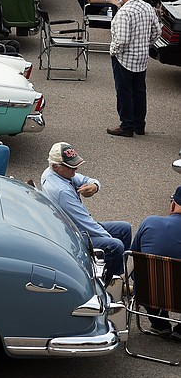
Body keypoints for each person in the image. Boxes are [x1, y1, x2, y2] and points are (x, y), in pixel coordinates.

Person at [39, 142, 131, 283]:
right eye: (71, 166)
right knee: (116, 245)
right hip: (73, 236)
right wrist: (109, 238)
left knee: (124, 228)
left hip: (74, 226)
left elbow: (85, 179)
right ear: (56, 166)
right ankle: (111, 285)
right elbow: (86, 222)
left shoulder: (54, 172)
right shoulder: (62, 192)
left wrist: (95, 186)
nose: (75, 168)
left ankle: (117, 272)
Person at [108, 0, 162, 137]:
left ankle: (127, 125)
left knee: (124, 91)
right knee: (139, 91)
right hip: (141, 57)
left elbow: (122, 40)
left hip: (124, 58)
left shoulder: (124, 12)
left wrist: (114, 50)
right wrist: (146, 43)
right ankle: (139, 125)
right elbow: (157, 31)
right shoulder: (148, 8)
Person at [131, 185, 181, 337]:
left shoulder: (150, 222)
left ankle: (159, 323)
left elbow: (134, 253)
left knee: (146, 272)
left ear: (172, 204)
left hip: (149, 292)